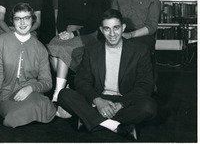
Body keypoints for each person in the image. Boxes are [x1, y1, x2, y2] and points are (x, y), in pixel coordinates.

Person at [58, 9, 157, 141]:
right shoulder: (92, 50)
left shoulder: (140, 50)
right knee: (64, 94)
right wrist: (98, 101)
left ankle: (91, 120)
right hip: (98, 98)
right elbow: (82, 81)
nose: (112, 34)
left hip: (125, 100)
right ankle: (114, 125)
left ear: (123, 28)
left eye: (116, 28)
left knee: (149, 107)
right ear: (101, 29)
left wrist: (121, 104)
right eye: (107, 29)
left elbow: (144, 85)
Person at [0, 3, 56, 128]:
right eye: (18, 18)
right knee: (13, 115)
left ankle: (34, 112)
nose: (22, 23)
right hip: (8, 96)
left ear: (32, 20)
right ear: (12, 21)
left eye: (26, 18)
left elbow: (47, 82)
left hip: (32, 95)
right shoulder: (2, 41)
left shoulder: (40, 47)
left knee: (42, 104)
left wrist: (31, 88)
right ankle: (34, 115)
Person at [48, 0, 101, 102]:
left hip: (87, 32)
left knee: (64, 50)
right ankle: (65, 86)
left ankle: (58, 92)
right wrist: (62, 33)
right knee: (52, 47)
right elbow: (61, 19)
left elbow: (95, 22)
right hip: (68, 31)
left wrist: (74, 34)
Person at [111, 0, 160, 83]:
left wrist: (131, 34)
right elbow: (112, 20)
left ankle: (142, 86)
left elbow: (152, 26)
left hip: (142, 34)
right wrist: (119, 33)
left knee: (138, 49)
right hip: (119, 33)